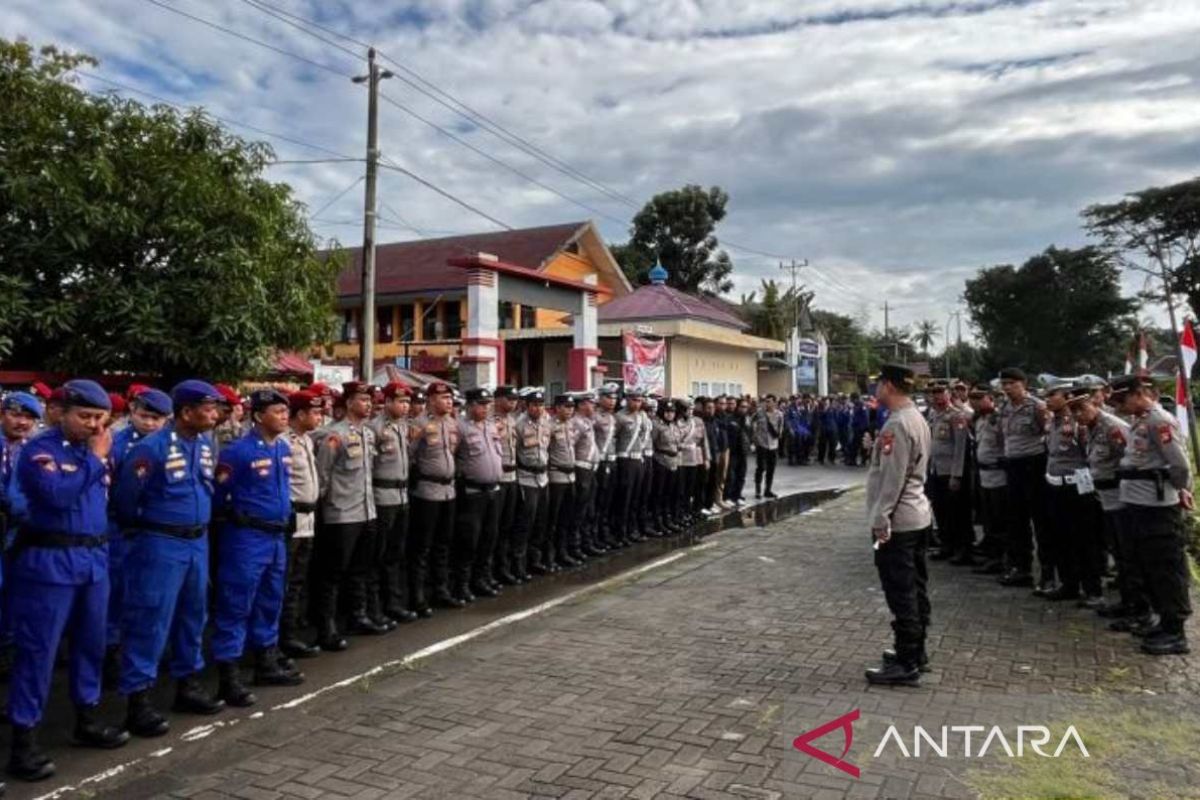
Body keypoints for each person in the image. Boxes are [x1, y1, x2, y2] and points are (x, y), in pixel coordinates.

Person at [9, 380, 128, 783]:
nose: (95, 426)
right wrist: (96, 459)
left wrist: (95, 459)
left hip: (94, 560)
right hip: (50, 564)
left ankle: (87, 718)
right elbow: (56, 498)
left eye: (100, 418)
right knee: (38, 652)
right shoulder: (39, 451)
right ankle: (24, 739)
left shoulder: (93, 453)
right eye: (85, 417)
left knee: (91, 645)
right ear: (60, 412)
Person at [113, 380, 226, 738]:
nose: (215, 414)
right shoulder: (151, 447)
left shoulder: (205, 444)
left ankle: (187, 685)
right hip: (159, 543)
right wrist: (145, 532)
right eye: (207, 408)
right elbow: (126, 500)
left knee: (194, 616)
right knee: (151, 619)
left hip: (197, 542)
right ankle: (138, 700)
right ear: (186, 412)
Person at [210, 389, 303, 709]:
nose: (284, 416)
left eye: (285, 411)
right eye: (277, 411)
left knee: (270, 600)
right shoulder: (238, 452)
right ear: (259, 415)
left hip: (276, 537)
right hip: (246, 538)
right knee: (236, 603)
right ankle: (229, 674)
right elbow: (218, 494)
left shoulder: (283, 447)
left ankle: (265, 661)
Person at [1111, 374, 1194, 655]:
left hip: (1157, 508)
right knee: (1146, 567)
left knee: (1166, 569)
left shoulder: (1160, 421)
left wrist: (1183, 489)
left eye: (1122, 400)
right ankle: (1162, 620)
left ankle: (1176, 632)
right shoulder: (1140, 420)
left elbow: (1179, 465)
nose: (1119, 406)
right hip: (1138, 505)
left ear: (1138, 394)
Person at [864, 365, 933, 686]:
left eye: (879, 384)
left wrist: (880, 519)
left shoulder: (898, 423)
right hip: (917, 515)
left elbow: (893, 479)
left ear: (889, 386)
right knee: (915, 586)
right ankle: (915, 651)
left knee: (900, 590)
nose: (876, 389)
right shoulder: (916, 417)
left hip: (899, 521)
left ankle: (906, 662)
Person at [104, 388, 172, 687]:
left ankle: (139, 652)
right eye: (144, 416)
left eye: (156, 418)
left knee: (149, 596)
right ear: (132, 411)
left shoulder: (171, 445)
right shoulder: (118, 443)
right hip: (123, 529)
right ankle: (110, 652)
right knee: (118, 593)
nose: (149, 423)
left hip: (155, 531)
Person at [313, 381, 384, 651]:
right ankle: (326, 627)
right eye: (362, 400)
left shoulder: (366, 434)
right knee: (332, 573)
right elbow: (323, 474)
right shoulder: (334, 435)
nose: (368, 404)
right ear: (349, 403)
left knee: (360, 569)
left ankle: (358, 616)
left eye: (369, 399)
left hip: (366, 510)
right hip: (341, 513)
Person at [1067, 384, 1132, 617]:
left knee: (1125, 553)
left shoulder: (1114, 428)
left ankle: (1134, 606)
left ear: (1095, 404)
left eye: (1081, 409)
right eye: (1073, 411)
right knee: (1114, 548)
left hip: (1121, 498)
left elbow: (1131, 462)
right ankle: (1126, 602)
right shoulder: (1090, 428)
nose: (1077, 415)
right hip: (1102, 496)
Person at [409, 382, 460, 610]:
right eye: (443, 398)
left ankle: (441, 590)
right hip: (427, 492)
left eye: (450, 397)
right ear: (430, 400)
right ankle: (417, 596)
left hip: (449, 491)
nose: (448, 401)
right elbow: (410, 457)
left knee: (444, 544)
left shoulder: (451, 424)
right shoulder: (419, 425)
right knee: (422, 547)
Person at [997, 368, 1049, 589]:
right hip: (1013, 465)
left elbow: (1045, 433)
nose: (1007, 388)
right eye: (1004, 384)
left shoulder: (1037, 407)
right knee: (1016, 519)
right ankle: (1021, 567)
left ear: (1023, 383)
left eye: (1011, 383)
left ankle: (1047, 572)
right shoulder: (1005, 407)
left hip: (1033, 464)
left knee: (1040, 520)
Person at [280, 390, 323, 659]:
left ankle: (290, 632)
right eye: (314, 412)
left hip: (308, 517)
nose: (319, 417)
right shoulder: (284, 441)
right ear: (300, 414)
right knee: (285, 580)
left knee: (297, 579)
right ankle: (281, 637)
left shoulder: (306, 439)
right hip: (292, 517)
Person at [370, 383, 416, 625]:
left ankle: (394, 603)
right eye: (400, 401)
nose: (405, 406)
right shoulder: (375, 428)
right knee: (379, 555)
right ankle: (375, 608)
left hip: (402, 496)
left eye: (407, 402)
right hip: (382, 496)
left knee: (396, 555)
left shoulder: (403, 427)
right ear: (387, 402)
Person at [1039, 381, 1090, 601]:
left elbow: (1089, 456)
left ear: (1067, 397)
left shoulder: (1079, 424)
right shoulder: (1052, 423)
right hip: (1054, 485)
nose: (1047, 399)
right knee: (1059, 538)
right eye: (1046, 395)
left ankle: (1088, 587)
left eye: (1053, 394)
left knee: (1079, 539)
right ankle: (1067, 583)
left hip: (1075, 487)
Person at [454, 388, 504, 600]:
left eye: (488, 404)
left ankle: (482, 578)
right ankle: (462, 584)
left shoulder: (490, 426)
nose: (486, 408)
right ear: (470, 405)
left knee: (488, 537)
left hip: (492, 491)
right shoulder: (460, 428)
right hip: (472, 492)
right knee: (468, 541)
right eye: (482, 404)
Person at [925, 381, 971, 564]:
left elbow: (960, 447)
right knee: (940, 510)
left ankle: (962, 548)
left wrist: (957, 474)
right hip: (936, 469)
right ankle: (947, 545)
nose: (936, 396)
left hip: (950, 471)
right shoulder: (933, 415)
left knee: (957, 512)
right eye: (933, 393)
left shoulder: (956, 416)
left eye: (940, 392)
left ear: (949, 394)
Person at [967, 384, 1009, 576]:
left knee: (1000, 520)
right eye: (973, 398)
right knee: (988, 520)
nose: (975, 401)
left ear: (990, 398)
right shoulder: (977, 419)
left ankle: (1002, 559)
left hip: (998, 475)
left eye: (980, 397)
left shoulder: (998, 419)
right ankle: (992, 556)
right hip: (983, 475)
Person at [515, 390, 553, 572]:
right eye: (534, 405)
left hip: (543, 478)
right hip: (526, 478)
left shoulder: (547, 423)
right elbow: (513, 453)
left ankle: (535, 560)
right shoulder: (519, 425)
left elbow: (549, 448)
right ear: (527, 406)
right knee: (525, 523)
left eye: (541, 404)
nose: (538, 408)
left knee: (540, 521)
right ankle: (519, 564)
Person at [492, 386, 522, 584]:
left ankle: (504, 567)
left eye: (515, 400)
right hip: (499, 477)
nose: (513, 403)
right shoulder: (490, 422)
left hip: (513, 476)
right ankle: (493, 570)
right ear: (498, 399)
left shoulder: (512, 421)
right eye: (509, 399)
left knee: (508, 526)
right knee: (494, 527)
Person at [546, 395, 579, 567]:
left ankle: (563, 551)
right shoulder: (550, 426)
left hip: (570, 475)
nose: (570, 410)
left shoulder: (571, 425)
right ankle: (550, 556)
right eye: (566, 406)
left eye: (572, 406)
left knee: (566, 517)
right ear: (557, 408)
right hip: (556, 475)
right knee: (553, 519)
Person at [611, 390, 647, 546]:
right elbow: (612, 438)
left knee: (636, 497)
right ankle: (621, 532)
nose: (637, 403)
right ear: (627, 400)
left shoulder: (641, 416)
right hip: (625, 460)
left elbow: (643, 435)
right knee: (624, 498)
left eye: (639, 400)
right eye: (634, 400)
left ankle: (632, 530)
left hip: (638, 459)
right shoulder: (619, 417)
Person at [571, 392, 605, 556]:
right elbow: (570, 446)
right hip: (581, 469)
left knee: (590, 509)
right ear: (581, 405)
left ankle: (587, 542)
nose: (594, 406)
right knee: (579, 510)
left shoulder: (587, 421)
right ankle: (576, 546)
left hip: (590, 469)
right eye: (590, 403)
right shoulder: (576, 423)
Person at [593, 385, 619, 549]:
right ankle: (595, 535)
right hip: (600, 463)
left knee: (609, 501)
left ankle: (604, 532)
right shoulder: (595, 417)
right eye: (608, 398)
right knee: (598, 501)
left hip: (612, 461)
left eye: (614, 398)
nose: (612, 401)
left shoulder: (613, 418)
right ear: (600, 398)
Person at [651, 400, 681, 534]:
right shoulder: (657, 425)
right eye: (667, 412)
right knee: (659, 494)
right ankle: (658, 522)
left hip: (673, 463)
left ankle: (667, 519)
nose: (670, 415)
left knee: (669, 493)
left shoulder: (674, 426)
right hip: (660, 461)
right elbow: (651, 444)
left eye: (672, 412)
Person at [753, 395, 783, 499]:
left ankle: (768, 490)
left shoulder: (779, 414)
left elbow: (780, 429)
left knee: (771, 469)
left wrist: (778, 435)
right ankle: (758, 490)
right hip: (762, 444)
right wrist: (755, 437)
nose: (767, 403)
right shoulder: (759, 413)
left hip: (773, 445)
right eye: (766, 401)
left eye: (769, 401)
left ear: (775, 403)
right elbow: (752, 423)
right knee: (761, 468)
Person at [724, 398, 752, 506]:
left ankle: (737, 495)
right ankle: (728, 496)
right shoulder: (730, 419)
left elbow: (750, 433)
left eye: (746, 407)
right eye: (742, 406)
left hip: (743, 451)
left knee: (741, 474)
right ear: (737, 407)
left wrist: (751, 444)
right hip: (733, 450)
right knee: (731, 475)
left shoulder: (747, 419)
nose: (744, 409)